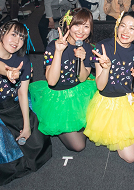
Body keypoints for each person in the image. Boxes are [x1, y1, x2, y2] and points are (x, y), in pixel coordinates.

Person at [0, 21, 52, 185]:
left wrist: (27, 125)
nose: (17, 41)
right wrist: (6, 70)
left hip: (13, 106)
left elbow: (22, 93)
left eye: (21, 38)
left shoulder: (23, 60)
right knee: (9, 165)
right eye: (13, 35)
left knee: (39, 147)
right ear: (1, 34)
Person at [84, 11, 134, 163]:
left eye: (132, 28)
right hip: (109, 104)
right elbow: (100, 86)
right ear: (117, 26)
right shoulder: (103, 47)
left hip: (130, 100)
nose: (125, 31)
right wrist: (106, 69)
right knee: (132, 157)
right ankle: (125, 135)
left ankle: (131, 133)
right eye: (123, 26)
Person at [29, 9, 97, 152]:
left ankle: (78, 125)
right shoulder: (53, 46)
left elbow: (82, 78)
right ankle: (63, 126)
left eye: (86, 26)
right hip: (58, 97)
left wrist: (81, 59)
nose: (81, 31)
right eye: (77, 25)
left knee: (98, 123)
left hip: (80, 92)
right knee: (78, 146)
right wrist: (58, 51)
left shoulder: (88, 47)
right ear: (68, 25)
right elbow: (51, 81)